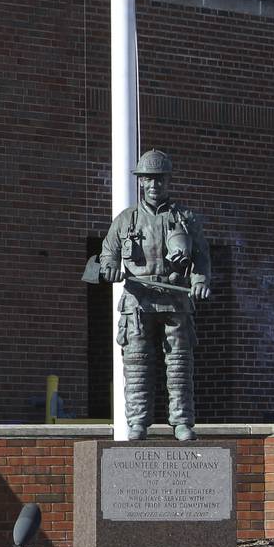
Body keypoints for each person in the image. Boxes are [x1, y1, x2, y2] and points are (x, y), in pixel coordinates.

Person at [98, 149, 211, 441]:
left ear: (167, 181)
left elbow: (201, 256)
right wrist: (110, 268)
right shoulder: (126, 220)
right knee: (136, 364)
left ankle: (182, 422)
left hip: (176, 300)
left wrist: (199, 280)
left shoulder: (185, 218)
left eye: (159, 180)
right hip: (138, 300)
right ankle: (137, 422)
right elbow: (108, 252)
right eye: (148, 180)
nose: (154, 185)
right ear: (141, 182)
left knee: (179, 365)